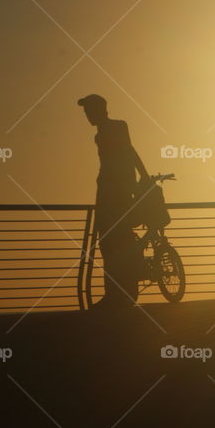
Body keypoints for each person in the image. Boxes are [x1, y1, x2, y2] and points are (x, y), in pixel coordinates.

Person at [78, 94, 149, 308]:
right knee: (109, 244)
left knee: (115, 243)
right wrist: (141, 176)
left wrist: (142, 177)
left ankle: (121, 295)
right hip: (107, 192)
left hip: (116, 194)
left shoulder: (117, 127)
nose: (88, 117)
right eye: (86, 113)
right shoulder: (99, 135)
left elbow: (129, 151)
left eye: (90, 112)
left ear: (101, 110)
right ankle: (118, 294)